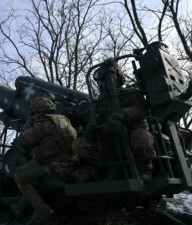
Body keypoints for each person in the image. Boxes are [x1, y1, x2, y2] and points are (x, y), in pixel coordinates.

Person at [72, 58, 154, 181]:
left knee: (142, 137)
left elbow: (140, 108)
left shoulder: (130, 93)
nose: (101, 84)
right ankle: (112, 168)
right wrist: (91, 129)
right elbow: (93, 122)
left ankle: (144, 170)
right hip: (110, 143)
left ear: (117, 79)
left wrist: (123, 114)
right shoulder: (99, 103)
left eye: (104, 80)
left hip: (132, 136)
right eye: (99, 81)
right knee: (78, 144)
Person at [13, 97, 78, 225]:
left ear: (39, 112)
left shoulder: (43, 124)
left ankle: (41, 209)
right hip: (71, 161)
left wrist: (28, 129)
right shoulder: (64, 119)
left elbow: (25, 140)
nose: (33, 116)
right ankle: (22, 209)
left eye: (34, 113)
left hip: (57, 166)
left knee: (20, 176)